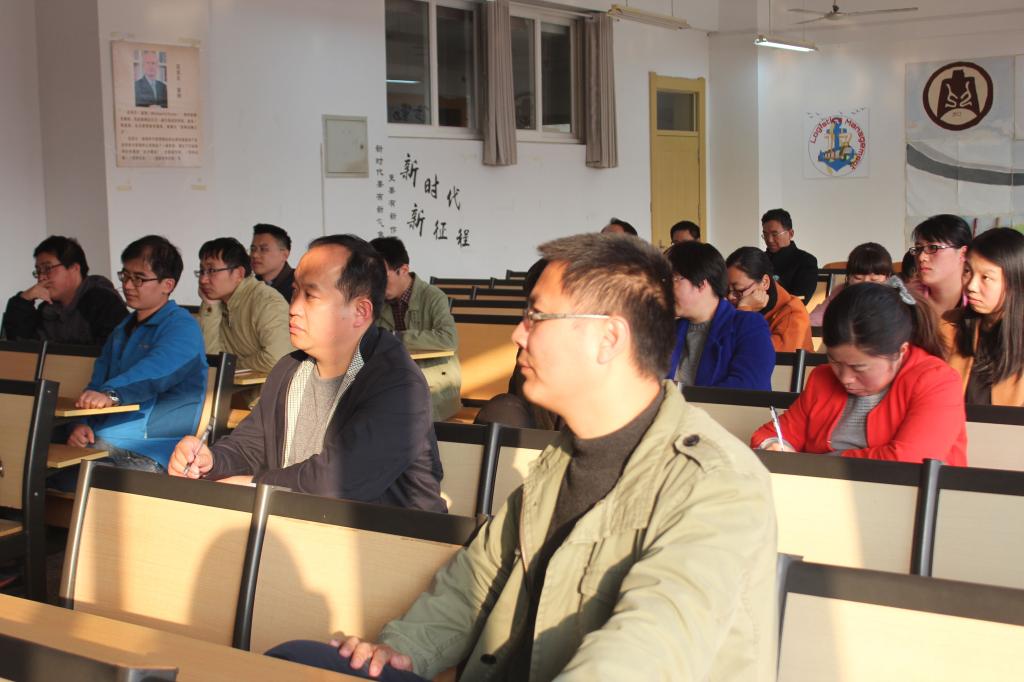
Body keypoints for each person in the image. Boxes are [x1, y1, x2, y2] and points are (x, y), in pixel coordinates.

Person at [266, 233, 778, 682]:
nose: (517, 334)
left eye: (536, 316)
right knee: (291, 659)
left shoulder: (717, 484)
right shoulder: (564, 458)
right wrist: (403, 649)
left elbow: (647, 646)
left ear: (609, 338)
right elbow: (474, 580)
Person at [168, 235, 445, 511]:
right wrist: (211, 460)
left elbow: (338, 481)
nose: (294, 308)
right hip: (295, 521)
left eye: (310, 296)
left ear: (360, 311)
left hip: (389, 533)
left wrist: (255, 484)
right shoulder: (289, 369)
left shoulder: (397, 384)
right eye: (295, 292)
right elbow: (250, 445)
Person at [751, 280, 967, 466]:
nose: (845, 378)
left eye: (859, 367)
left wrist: (815, 464)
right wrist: (773, 445)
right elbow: (770, 434)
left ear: (900, 352)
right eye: (835, 361)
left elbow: (908, 463)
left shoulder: (937, 382)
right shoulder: (822, 378)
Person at [64, 236, 207, 472]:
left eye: (139, 278)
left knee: (56, 475)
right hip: (104, 441)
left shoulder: (182, 327)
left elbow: (155, 373)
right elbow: (96, 383)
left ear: (167, 285)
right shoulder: (123, 328)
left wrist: (112, 394)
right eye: (125, 276)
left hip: (151, 450)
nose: (128, 286)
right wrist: (81, 424)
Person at [370, 237, 461, 421]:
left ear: (403, 270)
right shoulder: (377, 302)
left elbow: (448, 339)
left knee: (405, 412)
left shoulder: (433, 297)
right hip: (394, 382)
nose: (376, 284)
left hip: (436, 383)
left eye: (382, 277)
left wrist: (397, 338)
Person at [666, 241, 774, 390]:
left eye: (672, 279)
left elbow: (748, 388)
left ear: (701, 283)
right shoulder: (670, 331)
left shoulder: (749, 326)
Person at [947, 227, 1024, 406]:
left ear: (1015, 282)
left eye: (986, 277)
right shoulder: (947, 326)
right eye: (967, 271)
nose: (971, 286)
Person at [4, 236, 127, 345]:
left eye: (48, 268)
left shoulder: (102, 301)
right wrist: (23, 300)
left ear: (74, 268)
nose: (41, 277)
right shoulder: (47, 308)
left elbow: (111, 352)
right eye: (38, 271)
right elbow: (20, 347)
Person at [197, 237, 292, 374]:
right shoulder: (215, 304)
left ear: (239, 273)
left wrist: (230, 366)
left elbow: (276, 359)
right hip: (234, 386)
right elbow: (210, 360)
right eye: (201, 271)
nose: (203, 280)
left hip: (275, 386)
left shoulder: (267, 301)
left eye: (211, 271)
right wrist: (210, 306)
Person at [726, 247, 814, 352]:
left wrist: (745, 310)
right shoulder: (730, 305)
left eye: (738, 290)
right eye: (727, 290)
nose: (730, 296)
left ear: (765, 282)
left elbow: (758, 356)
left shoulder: (792, 315)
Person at [809, 242, 893, 326]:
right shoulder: (841, 292)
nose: (865, 284)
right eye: (858, 278)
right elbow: (815, 319)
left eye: (874, 279)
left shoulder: (894, 299)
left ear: (887, 277)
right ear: (849, 276)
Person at [909, 213, 971, 318]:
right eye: (918, 249)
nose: (921, 257)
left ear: (963, 253)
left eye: (932, 248)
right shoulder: (907, 300)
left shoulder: (979, 303)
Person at [761, 208, 818, 304]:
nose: (769, 240)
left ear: (790, 234)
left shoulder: (805, 261)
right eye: (765, 235)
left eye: (775, 234)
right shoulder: (759, 259)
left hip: (786, 311)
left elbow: (800, 299)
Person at [250, 223, 295, 302]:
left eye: (263, 249)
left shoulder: (298, 285)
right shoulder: (250, 286)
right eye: (253, 249)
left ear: (284, 255)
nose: (254, 255)